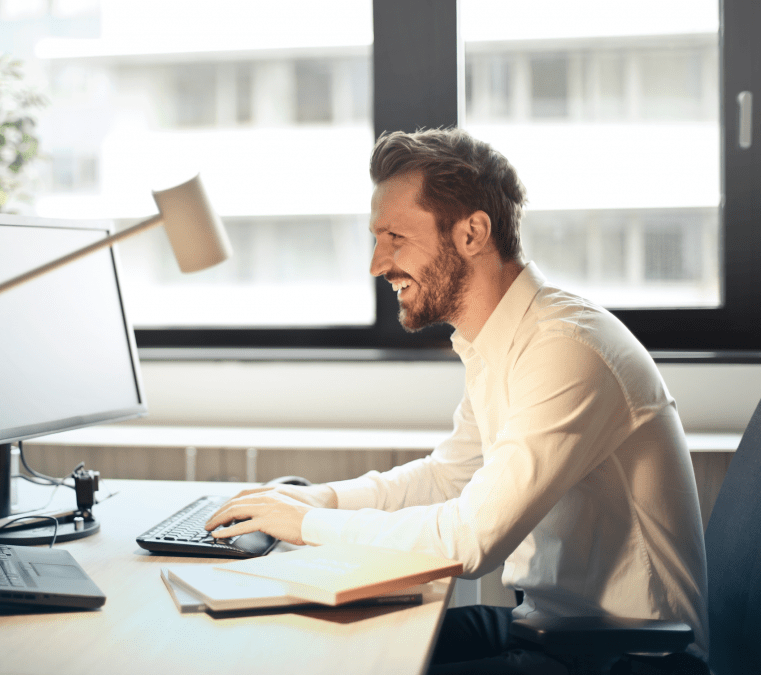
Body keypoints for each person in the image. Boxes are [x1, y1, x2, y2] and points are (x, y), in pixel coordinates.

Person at [205, 128, 708, 674]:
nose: (377, 263)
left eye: (395, 236)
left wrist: (303, 526)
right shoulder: (501, 341)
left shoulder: (567, 350)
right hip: (549, 626)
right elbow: (449, 478)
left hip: (628, 655)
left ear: (473, 233)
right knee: (323, 644)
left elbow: (471, 539)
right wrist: (318, 501)